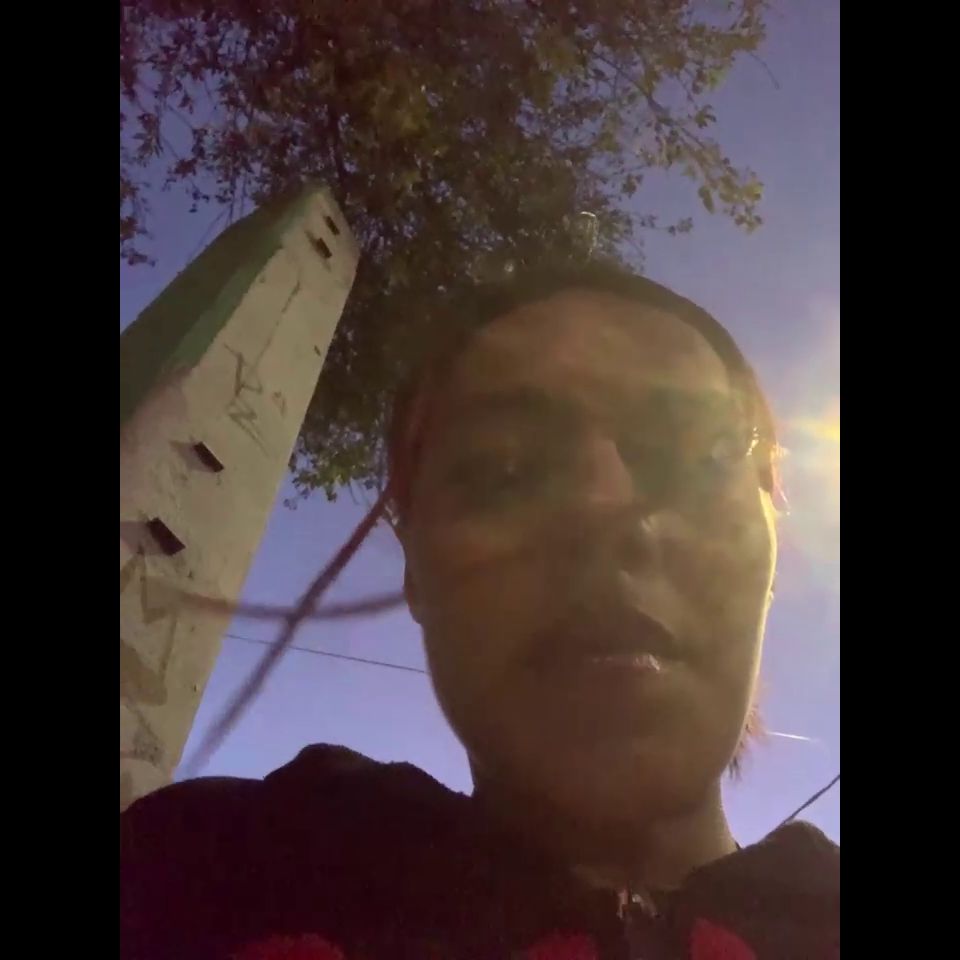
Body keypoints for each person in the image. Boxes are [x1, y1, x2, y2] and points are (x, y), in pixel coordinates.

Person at [120, 262, 840, 960]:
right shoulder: (204, 872)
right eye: (502, 468)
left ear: (772, 544)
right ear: (415, 569)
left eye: (702, 458)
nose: (605, 508)